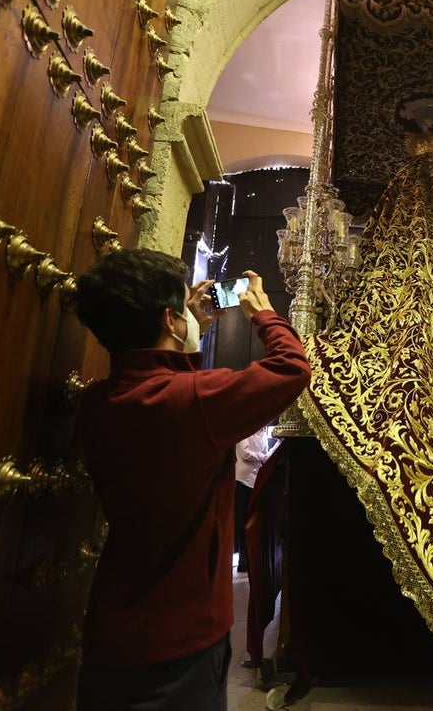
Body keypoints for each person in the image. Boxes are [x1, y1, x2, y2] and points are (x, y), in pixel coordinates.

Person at [72, 249, 311, 711]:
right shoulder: (193, 401)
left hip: (112, 630)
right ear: (169, 320)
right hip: (180, 638)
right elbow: (291, 369)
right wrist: (264, 313)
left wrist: (186, 328)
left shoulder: (100, 401)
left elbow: (169, 392)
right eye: (182, 306)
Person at [234, 426, 280, 574]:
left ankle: (253, 560)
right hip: (243, 479)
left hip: (255, 479)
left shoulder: (262, 433)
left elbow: (265, 455)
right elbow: (245, 453)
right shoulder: (244, 430)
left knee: (254, 519)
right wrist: (261, 457)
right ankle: (243, 561)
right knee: (242, 520)